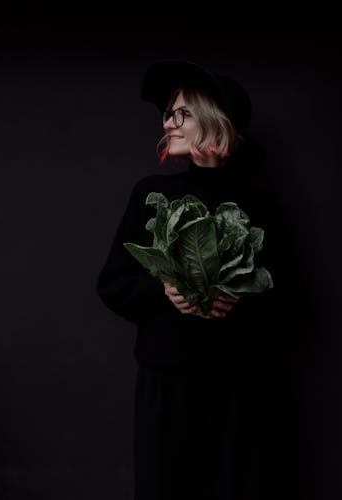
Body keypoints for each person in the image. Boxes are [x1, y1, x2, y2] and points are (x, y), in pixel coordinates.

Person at [97, 60, 284, 500]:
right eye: (168, 113)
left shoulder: (260, 203)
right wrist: (164, 291)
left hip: (237, 385)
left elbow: (290, 296)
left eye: (182, 113)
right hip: (167, 382)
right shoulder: (151, 195)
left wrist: (239, 299)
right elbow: (112, 284)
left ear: (215, 121)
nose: (169, 122)